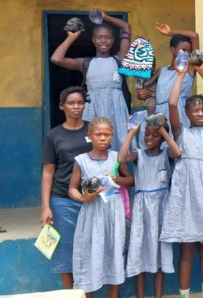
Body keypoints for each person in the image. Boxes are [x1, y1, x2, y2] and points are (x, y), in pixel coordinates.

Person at [159, 59, 203, 298]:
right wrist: (181, 75)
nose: (200, 113)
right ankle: (185, 295)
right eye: (195, 110)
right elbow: (172, 103)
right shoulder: (180, 131)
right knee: (186, 250)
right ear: (187, 114)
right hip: (186, 195)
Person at [68, 117, 134, 297]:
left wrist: (116, 179)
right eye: (98, 134)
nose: (103, 138)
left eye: (107, 134)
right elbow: (72, 188)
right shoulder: (81, 160)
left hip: (113, 214)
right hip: (91, 213)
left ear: (112, 136)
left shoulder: (116, 158)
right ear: (90, 136)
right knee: (89, 254)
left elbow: (130, 180)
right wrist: (84, 197)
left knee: (114, 252)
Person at [50, 10, 132, 149]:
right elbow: (56, 59)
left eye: (107, 37)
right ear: (93, 40)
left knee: (118, 144)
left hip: (116, 110)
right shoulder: (85, 63)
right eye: (99, 37)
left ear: (113, 40)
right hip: (92, 108)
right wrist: (72, 37)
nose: (104, 41)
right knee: (90, 144)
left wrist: (105, 17)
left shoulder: (119, 59)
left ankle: (117, 171)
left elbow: (126, 27)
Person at [118, 119, 181, 298]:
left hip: (161, 209)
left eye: (156, 135)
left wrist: (164, 132)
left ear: (162, 138)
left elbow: (177, 152)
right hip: (142, 210)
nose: (150, 138)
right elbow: (121, 159)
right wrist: (132, 133)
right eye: (146, 134)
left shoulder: (166, 154)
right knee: (139, 252)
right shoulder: (138, 154)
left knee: (158, 256)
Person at [40, 86, 93, 289]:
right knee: (65, 250)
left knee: (91, 249)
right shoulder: (54, 135)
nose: (76, 107)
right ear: (62, 106)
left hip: (91, 198)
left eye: (80, 102)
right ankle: (71, 293)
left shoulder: (93, 130)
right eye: (71, 103)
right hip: (62, 200)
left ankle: (88, 292)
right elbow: (48, 172)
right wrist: (46, 206)